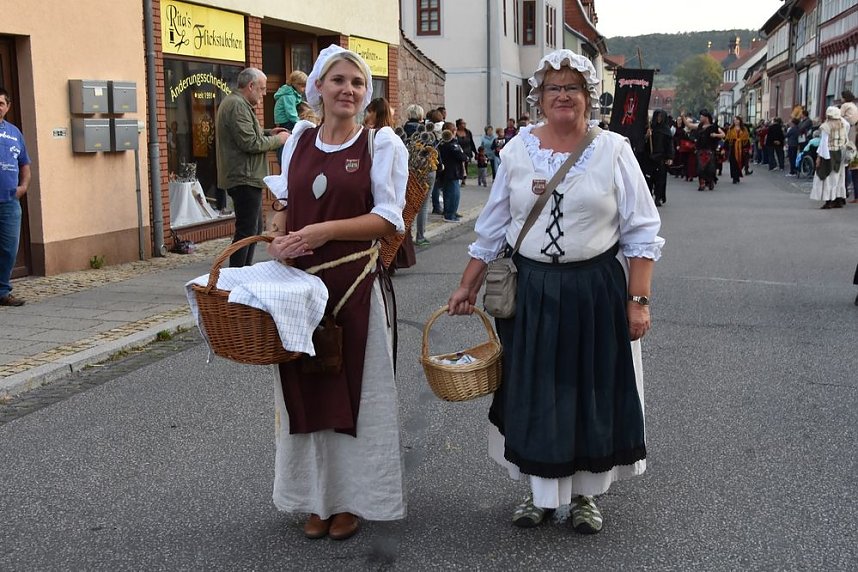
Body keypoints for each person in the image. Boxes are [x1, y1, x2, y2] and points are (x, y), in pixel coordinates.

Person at [446, 49, 663, 535]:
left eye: (573, 87)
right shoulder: (518, 151)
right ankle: (537, 491)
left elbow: (642, 231)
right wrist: (466, 286)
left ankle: (585, 494)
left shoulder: (614, 151)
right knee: (533, 389)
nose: (563, 95)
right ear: (539, 98)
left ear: (589, 97)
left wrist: (639, 300)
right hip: (533, 289)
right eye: (553, 88)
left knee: (589, 389)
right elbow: (492, 227)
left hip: (595, 290)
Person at [262, 44, 408, 540]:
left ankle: (353, 501)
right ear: (318, 88)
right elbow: (282, 203)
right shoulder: (298, 139)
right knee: (303, 390)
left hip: (354, 284)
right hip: (300, 286)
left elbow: (388, 218)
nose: (348, 89)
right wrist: (277, 232)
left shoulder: (380, 146)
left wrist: (322, 233)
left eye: (358, 83)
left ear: (366, 94)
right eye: (339, 80)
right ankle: (314, 498)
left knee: (355, 395)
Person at [215, 67, 289, 267]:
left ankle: (242, 272)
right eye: (262, 89)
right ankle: (237, 275)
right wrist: (278, 140)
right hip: (243, 177)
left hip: (246, 176)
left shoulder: (238, 103)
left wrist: (268, 132)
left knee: (254, 229)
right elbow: (250, 143)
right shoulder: (237, 106)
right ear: (251, 86)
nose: (264, 93)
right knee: (246, 231)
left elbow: (250, 134)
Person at [367, 97, 415, 271]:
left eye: (369, 111)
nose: (367, 116)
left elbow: (381, 177)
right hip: (394, 196)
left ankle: (387, 263)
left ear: (375, 113)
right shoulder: (388, 137)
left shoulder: (383, 139)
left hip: (386, 198)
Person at [0, 87, 31, 307]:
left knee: (9, 248)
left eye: (1, 103)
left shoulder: (14, 133)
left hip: (10, 201)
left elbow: (24, 164)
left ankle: (2, 291)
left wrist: (23, 186)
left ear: (8, 107)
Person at [811, 106, 851, 209]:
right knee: (839, 176)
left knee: (827, 177)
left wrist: (820, 157)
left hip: (829, 153)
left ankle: (829, 201)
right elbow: (846, 137)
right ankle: (838, 199)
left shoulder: (826, 126)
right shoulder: (843, 124)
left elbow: (823, 143)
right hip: (840, 152)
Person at [685, 110, 725, 191]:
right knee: (700, 168)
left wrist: (715, 135)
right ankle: (702, 183)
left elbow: (723, 134)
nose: (700, 118)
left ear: (706, 117)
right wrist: (683, 117)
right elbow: (689, 125)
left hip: (710, 150)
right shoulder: (699, 126)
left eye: (701, 117)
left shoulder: (713, 127)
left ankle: (710, 181)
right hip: (700, 150)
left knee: (710, 169)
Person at [438, 122, 467, 222]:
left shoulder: (443, 143)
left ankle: (451, 212)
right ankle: (450, 214)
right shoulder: (451, 144)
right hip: (452, 172)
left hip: (449, 171)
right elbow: (461, 156)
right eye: (454, 130)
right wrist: (465, 157)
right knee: (453, 194)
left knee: (449, 193)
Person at [645, 109, 674, 205]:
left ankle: (658, 197)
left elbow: (669, 145)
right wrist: (647, 136)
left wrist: (670, 157)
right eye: (657, 116)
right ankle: (648, 197)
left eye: (661, 117)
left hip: (661, 157)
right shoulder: (650, 128)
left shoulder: (666, 130)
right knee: (649, 178)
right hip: (650, 157)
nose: (659, 119)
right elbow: (643, 143)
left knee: (660, 179)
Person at [725, 116, 751, 184]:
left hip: (741, 148)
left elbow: (747, 139)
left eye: (737, 120)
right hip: (733, 147)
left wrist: (748, 148)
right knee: (733, 162)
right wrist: (725, 148)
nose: (736, 121)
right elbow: (727, 139)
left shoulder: (744, 129)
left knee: (740, 162)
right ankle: (734, 177)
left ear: (740, 121)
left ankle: (738, 175)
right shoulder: (731, 129)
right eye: (734, 120)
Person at [455, 118, 476, 185]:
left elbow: (471, 142)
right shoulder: (455, 132)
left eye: (464, 123)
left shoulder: (468, 132)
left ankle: (464, 179)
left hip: (467, 151)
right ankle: (459, 176)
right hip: (459, 151)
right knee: (459, 164)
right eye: (462, 123)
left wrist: (475, 152)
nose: (464, 125)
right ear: (458, 125)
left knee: (466, 165)